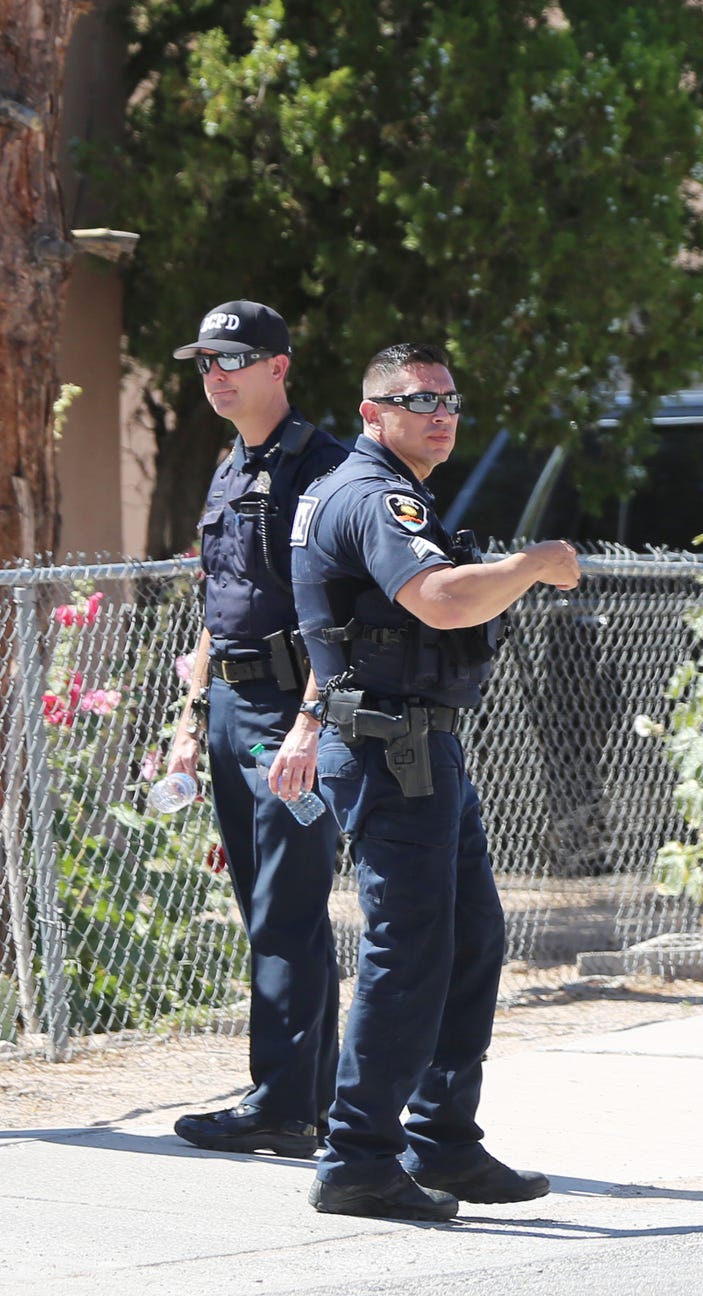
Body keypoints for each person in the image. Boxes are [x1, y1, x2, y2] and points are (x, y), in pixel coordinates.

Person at [287, 343, 582, 1220]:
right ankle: (358, 1159)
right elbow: (441, 601)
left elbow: (339, 632)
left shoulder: (368, 490)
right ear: (373, 413)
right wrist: (534, 564)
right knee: (408, 952)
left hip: (416, 747)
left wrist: (305, 722)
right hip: (392, 753)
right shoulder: (376, 496)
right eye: (416, 400)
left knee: (468, 940)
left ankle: (443, 1141)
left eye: (449, 399)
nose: (439, 413)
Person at [158, 301, 352, 1157]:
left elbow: (338, 617)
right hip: (234, 712)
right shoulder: (231, 466)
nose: (216, 375)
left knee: (287, 907)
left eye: (232, 359)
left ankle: (280, 1103)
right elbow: (216, 608)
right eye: (204, 363)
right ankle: (310, 1101)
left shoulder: (327, 468)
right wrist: (189, 728)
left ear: (279, 365)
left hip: (291, 713)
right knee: (272, 909)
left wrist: (310, 726)